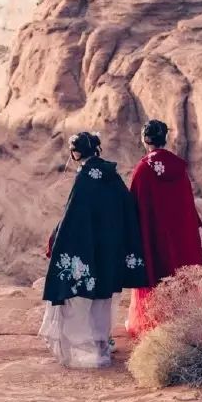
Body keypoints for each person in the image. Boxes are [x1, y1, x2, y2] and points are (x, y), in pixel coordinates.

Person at [41, 130, 148, 370]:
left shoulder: (85, 179)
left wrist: (57, 240)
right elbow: (128, 208)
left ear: (77, 153)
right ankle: (102, 344)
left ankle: (87, 351)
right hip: (110, 249)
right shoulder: (112, 175)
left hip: (89, 248)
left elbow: (73, 216)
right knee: (103, 298)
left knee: (81, 301)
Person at [126, 119, 202, 338]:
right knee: (179, 279)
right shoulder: (179, 168)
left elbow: (135, 207)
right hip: (180, 237)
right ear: (165, 138)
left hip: (155, 238)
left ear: (144, 139)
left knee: (156, 278)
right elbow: (186, 205)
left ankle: (156, 327)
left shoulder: (142, 170)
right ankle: (183, 326)